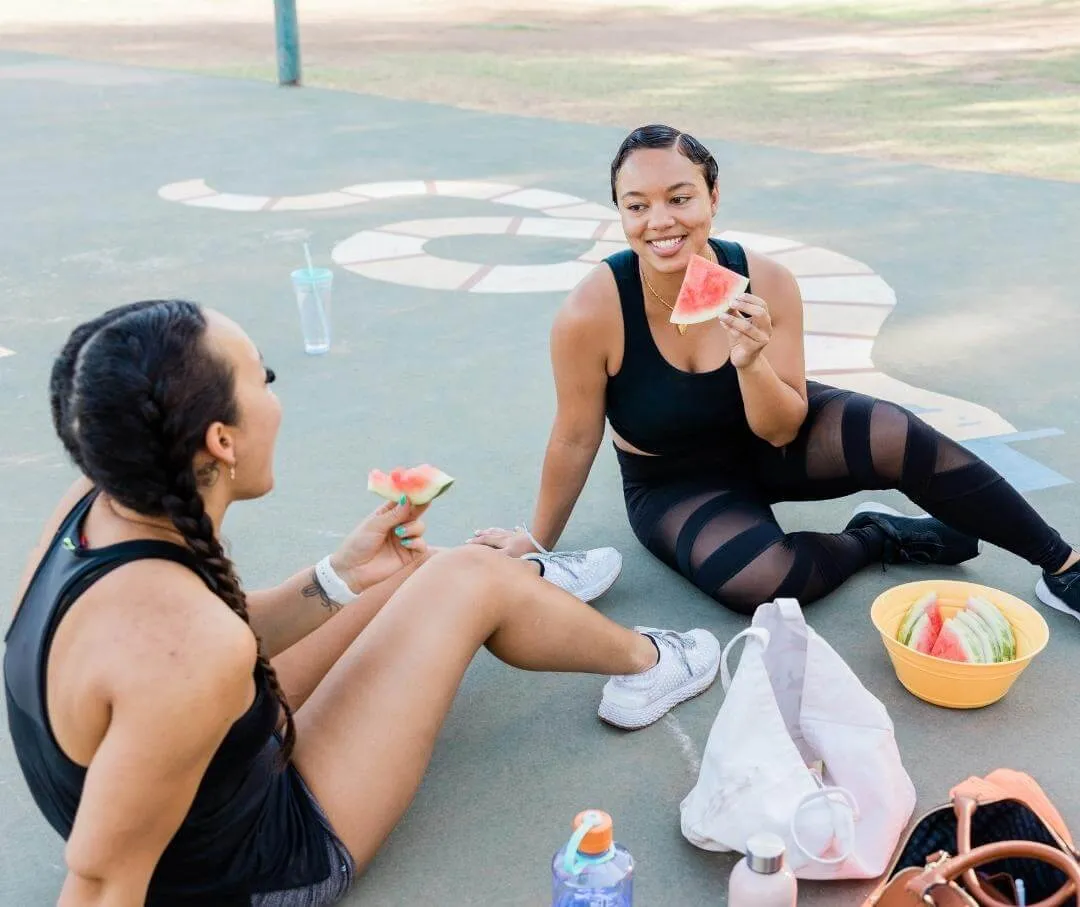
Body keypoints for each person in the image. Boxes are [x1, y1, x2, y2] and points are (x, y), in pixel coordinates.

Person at [3, 299, 723, 907]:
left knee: (424, 572)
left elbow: (214, 637)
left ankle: (530, 590)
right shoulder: (191, 653)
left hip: (185, 787)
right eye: (266, 377)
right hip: (259, 863)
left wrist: (340, 576)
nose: (275, 395)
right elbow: (98, 882)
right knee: (469, 577)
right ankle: (649, 658)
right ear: (221, 440)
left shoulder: (96, 506)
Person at [470, 123, 1080, 618]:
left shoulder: (768, 281)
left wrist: (750, 360)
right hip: (674, 482)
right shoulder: (591, 311)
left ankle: (1063, 566)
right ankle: (877, 537)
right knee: (760, 583)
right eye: (638, 206)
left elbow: (784, 429)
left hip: (772, 441)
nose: (660, 221)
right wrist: (538, 540)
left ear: (712, 198)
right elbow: (576, 435)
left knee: (895, 431)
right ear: (621, 214)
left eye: (680, 198)